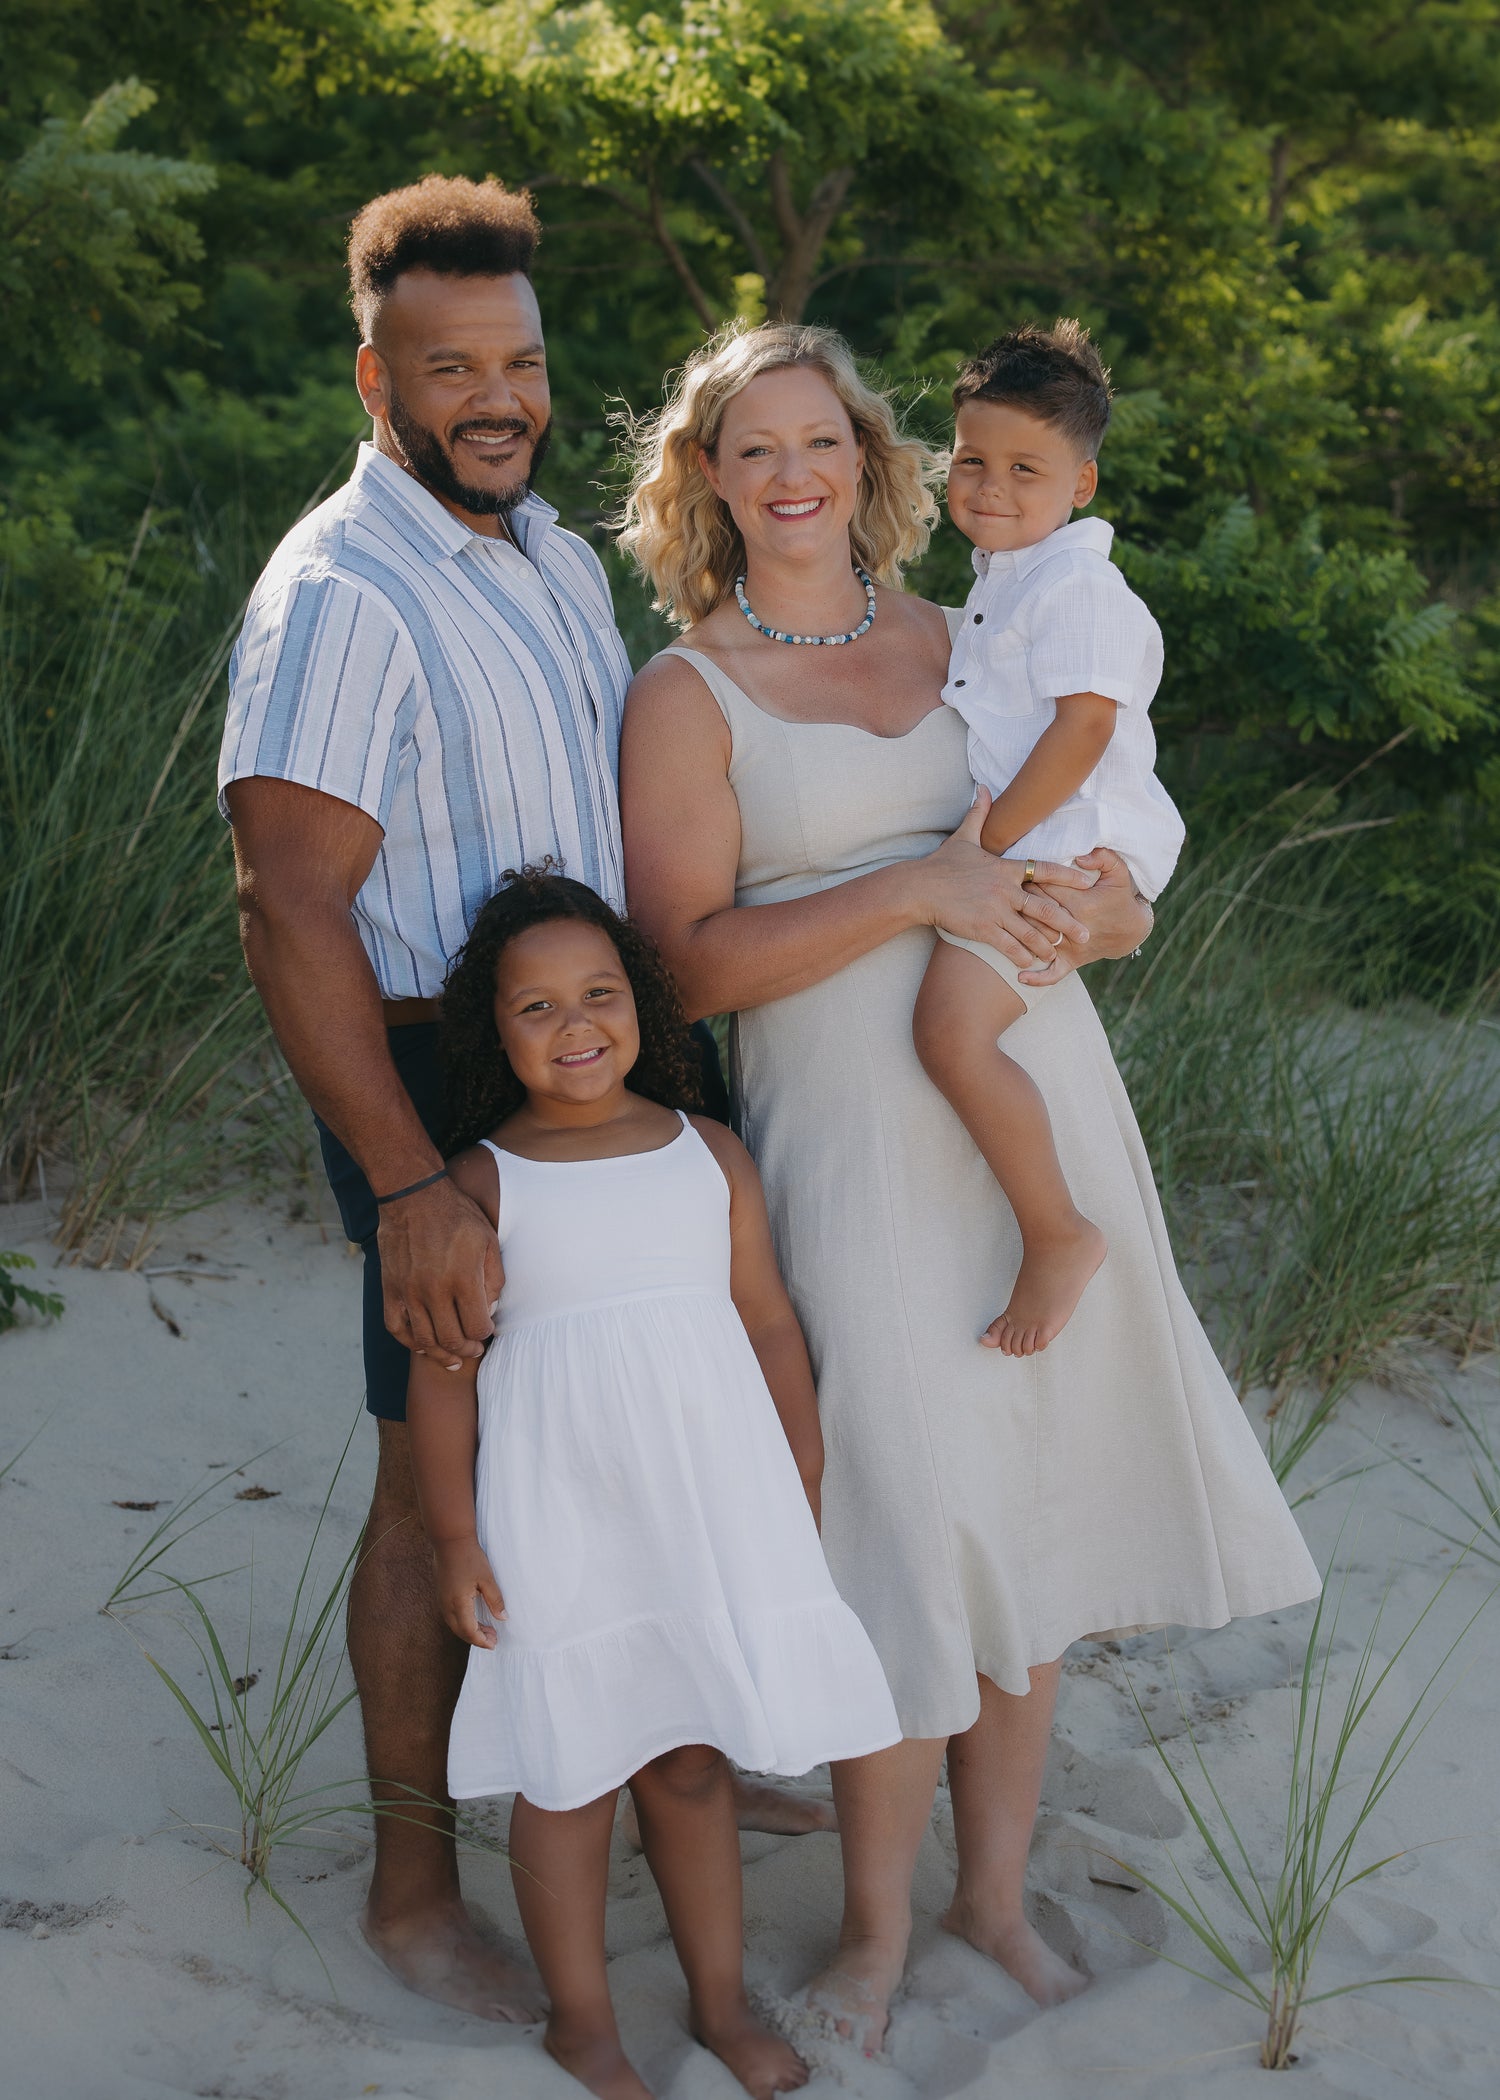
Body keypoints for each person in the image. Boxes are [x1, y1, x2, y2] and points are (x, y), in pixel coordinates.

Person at [616, 320, 1321, 2047]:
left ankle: (990, 1900)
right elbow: (686, 969)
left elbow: (1102, 844)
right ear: (705, 478)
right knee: (908, 1522)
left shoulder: (975, 636)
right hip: (850, 1141)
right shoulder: (683, 692)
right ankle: (871, 1927)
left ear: (875, 463)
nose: (796, 475)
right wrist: (917, 892)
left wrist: (1112, 915)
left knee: (1029, 1511)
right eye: (756, 447)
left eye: (826, 442)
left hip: (1034, 1097)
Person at [218, 176, 821, 2024]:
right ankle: (415, 1882)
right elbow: (286, 899)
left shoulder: (551, 551)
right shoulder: (341, 589)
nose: (498, 396)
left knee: (654, 1404)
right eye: (450, 365)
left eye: (523, 361)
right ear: (373, 372)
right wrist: (411, 1183)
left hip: (600, 1034)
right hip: (429, 1065)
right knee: (438, 1462)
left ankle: (674, 1737)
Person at [406, 869, 899, 2100]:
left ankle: (722, 2004)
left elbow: (769, 1322)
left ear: (642, 1007)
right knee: (568, 1773)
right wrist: (455, 1537)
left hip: (702, 1507)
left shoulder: (708, 1151)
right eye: (535, 1008)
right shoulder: (480, 1184)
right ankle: (583, 2024)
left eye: (599, 994)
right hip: (559, 1516)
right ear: (494, 1032)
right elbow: (444, 1379)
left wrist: (798, 1455)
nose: (574, 1026)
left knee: (687, 1761)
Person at [911, 320, 1186, 1357]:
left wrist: (988, 846)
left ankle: (1058, 1231)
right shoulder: (1007, 578)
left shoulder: (1077, 588)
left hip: (1064, 851)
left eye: (1026, 469)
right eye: (972, 461)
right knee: (954, 1028)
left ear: (1082, 483)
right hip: (1043, 843)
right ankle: (1050, 1224)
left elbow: (1085, 728)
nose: (990, 486)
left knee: (949, 1032)